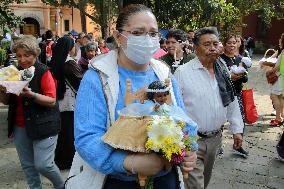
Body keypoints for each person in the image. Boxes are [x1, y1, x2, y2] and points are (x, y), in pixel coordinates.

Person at [66, 4, 197, 189]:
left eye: (153, 34)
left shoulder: (164, 74)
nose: (147, 39)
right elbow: (87, 139)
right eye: (137, 32)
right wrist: (129, 162)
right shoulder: (98, 77)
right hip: (117, 181)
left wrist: (189, 150)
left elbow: (183, 120)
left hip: (166, 179)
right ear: (118, 36)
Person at [174, 27, 244, 189]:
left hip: (215, 139)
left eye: (215, 43)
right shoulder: (183, 72)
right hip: (192, 141)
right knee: (195, 186)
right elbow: (175, 108)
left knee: (205, 182)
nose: (212, 48)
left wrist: (237, 129)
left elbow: (231, 101)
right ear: (195, 47)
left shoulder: (222, 69)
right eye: (206, 44)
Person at [0, 36, 64, 189]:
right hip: (20, 125)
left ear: (35, 54)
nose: (22, 59)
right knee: (28, 166)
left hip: (45, 124)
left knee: (44, 165)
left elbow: (52, 101)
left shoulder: (43, 72)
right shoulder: (14, 73)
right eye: (19, 55)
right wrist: (2, 91)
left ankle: (61, 186)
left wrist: (31, 95)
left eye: (26, 55)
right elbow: (7, 101)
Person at [49, 37, 83, 170]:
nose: (76, 49)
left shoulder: (55, 61)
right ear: (69, 48)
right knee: (69, 132)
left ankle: (61, 158)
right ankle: (68, 160)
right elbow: (80, 82)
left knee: (63, 132)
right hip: (70, 102)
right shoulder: (69, 63)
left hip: (60, 100)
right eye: (74, 46)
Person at [220, 34, 250, 158]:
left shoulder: (240, 59)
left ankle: (238, 145)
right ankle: (217, 145)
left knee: (240, 120)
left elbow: (246, 78)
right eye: (229, 43)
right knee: (220, 121)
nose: (232, 45)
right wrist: (229, 77)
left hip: (237, 94)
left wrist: (242, 75)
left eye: (234, 43)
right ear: (224, 44)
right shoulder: (219, 59)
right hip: (222, 94)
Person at [265, 33, 284, 126]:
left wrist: (269, 72)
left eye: (281, 38)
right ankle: (280, 116)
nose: (280, 40)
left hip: (280, 77)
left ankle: (278, 118)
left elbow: (277, 67)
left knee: (274, 96)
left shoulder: (283, 52)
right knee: (280, 96)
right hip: (282, 77)